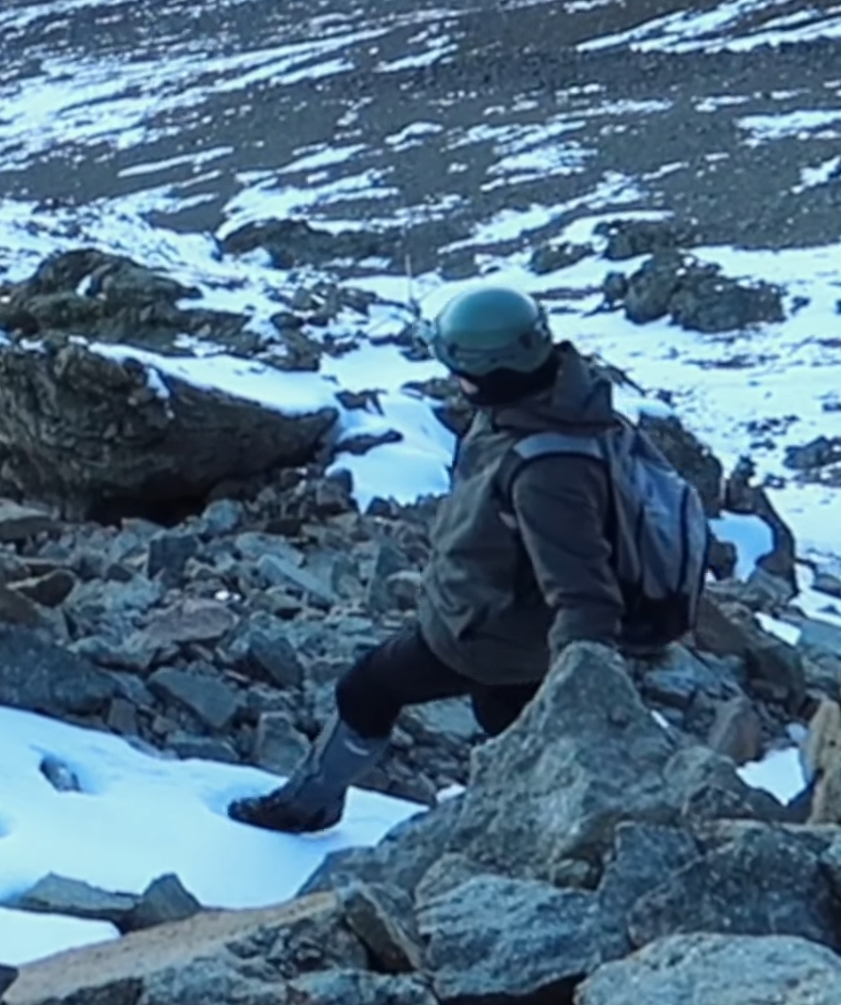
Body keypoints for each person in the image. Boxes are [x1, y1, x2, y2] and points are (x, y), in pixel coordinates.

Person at [231, 281, 635, 834]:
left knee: (366, 688)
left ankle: (308, 806)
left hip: (486, 634)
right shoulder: (551, 401)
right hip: (505, 620)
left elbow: (584, 594)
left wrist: (578, 683)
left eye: (461, 368)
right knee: (505, 722)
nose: (455, 379)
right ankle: (541, 823)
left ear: (494, 370)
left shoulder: (548, 470)